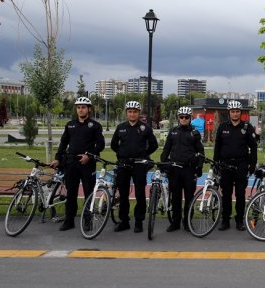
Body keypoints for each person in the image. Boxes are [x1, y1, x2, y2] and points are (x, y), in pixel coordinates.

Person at [51, 96, 105, 231]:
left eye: (83, 107)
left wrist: (89, 155)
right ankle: (69, 221)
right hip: (71, 163)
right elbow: (63, 143)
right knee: (71, 193)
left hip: (88, 164)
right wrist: (58, 158)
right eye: (78, 107)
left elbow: (101, 144)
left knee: (88, 193)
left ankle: (87, 222)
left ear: (89, 109)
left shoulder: (95, 126)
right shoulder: (70, 125)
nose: (81, 110)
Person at [110, 101, 158, 233]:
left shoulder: (145, 128)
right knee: (123, 194)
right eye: (130, 111)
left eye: (135, 111)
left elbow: (154, 145)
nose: (132, 114)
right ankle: (124, 221)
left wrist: (143, 154)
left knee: (139, 193)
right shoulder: (120, 127)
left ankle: (139, 221)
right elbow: (114, 144)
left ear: (139, 113)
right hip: (123, 164)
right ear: (126, 113)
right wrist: (121, 153)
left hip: (139, 165)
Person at [213, 100, 258, 231]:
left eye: (237, 111)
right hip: (225, 165)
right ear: (229, 113)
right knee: (226, 194)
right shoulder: (222, 127)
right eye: (233, 111)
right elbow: (217, 146)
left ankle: (239, 220)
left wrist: (252, 164)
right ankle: (225, 220)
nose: (235, 114)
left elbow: (253, 146)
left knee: (240, 194)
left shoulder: (247, 127)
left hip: (241, 165)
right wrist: (216, 162)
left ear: (241, 113)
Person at [160, 106, 204, 232]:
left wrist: (199, 168)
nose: (184, 119)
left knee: (189, 197)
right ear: (178, 118)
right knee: (176, 198)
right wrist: (163, 164)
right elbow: (166, 150)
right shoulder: (173, 131)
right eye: (181, 117)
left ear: (190, 118)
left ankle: (187, 222)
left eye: (186, 117)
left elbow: (200, 152)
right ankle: (175, 222)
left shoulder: (195, 133)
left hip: (189, 170)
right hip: (175, 170)